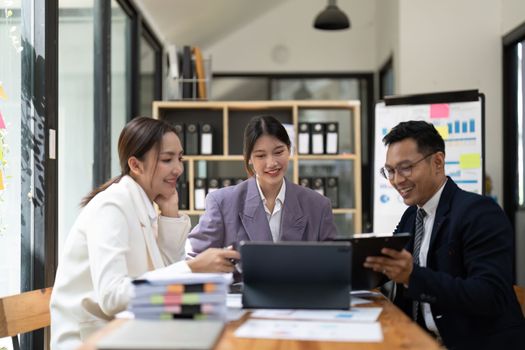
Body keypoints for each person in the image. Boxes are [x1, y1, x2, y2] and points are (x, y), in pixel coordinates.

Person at [50, 117, 240, 350]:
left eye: (179, 158)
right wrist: (193, 267)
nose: (178, 169)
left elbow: (164, 276)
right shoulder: (112, 206)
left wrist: (170, 215)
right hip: (93, 340)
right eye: (167, 159)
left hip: (128, 332)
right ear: (136, 165)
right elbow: (112, 297)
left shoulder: (143, 205)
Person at [364, 120, 525, 349]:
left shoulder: (479, 212)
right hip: (420, 340)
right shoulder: (412, 215)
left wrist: (412, 276)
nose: (397, 180)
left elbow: (490, 294)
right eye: (390, 171)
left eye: (406, 168)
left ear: (437, 162)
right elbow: (391, 269)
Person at [188, 115, 338, 257]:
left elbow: (335, 263)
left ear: (289, 150)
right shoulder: (222, 203)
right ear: (249, 158)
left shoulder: (318, 206)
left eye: (278, 152)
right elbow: (194, 259)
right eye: (261, 155)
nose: (271, 163)